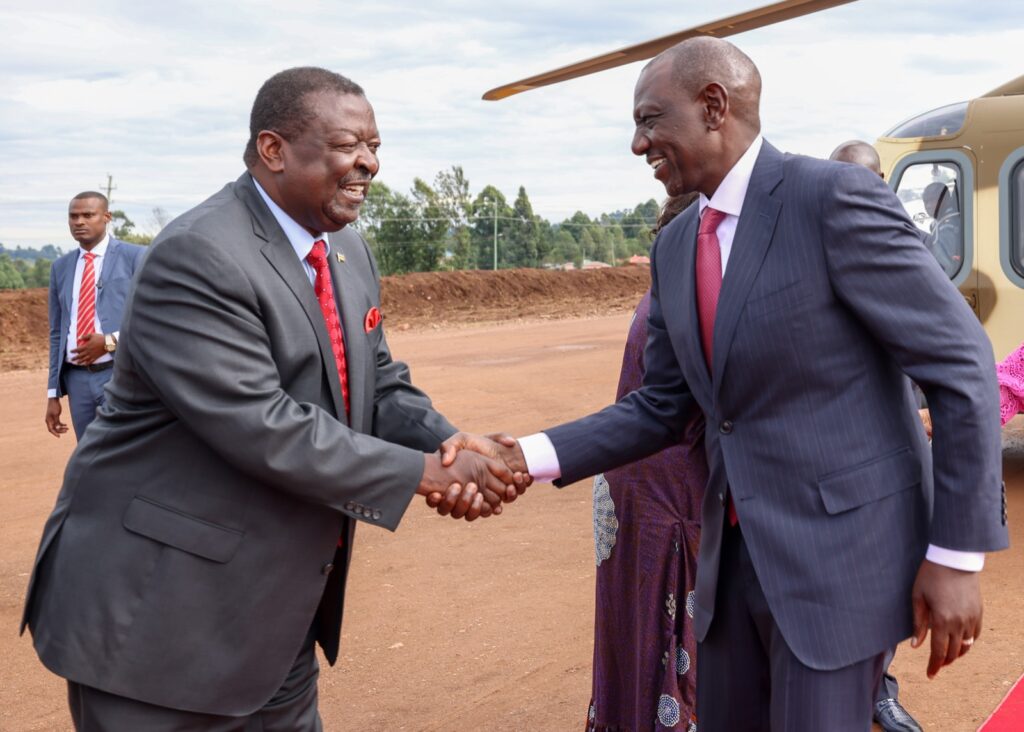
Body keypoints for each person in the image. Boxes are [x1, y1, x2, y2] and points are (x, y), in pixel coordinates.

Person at [444, 37, 1007, 731]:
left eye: (650, 120)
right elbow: (661, 405)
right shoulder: (677, 246)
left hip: (837, 572)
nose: (636, 143)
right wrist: (519, 457)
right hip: (730, 573)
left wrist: (955, 557)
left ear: (714, 107)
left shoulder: (830, 199)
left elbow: (960, 366)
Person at [22, 67, 521, 731]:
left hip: (273, 621)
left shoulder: (345, 249)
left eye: (375, 146)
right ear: (273, 149)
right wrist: (428, 474)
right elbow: (260, 423)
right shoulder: (199, 254)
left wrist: (449, 441)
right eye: (348, 144)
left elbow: (375, 380)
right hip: (160, 627)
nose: (367, 162)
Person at [587, 193, 705, 732]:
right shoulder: (695, 298)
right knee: (672, 643)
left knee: (634, 637)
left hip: (633, 487)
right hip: (670, 495)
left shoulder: (663, 292)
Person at [829, 140, 922, 732]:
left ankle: (878, 688)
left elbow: (932, 345)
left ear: (884, 184)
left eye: (867, 182)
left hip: (896, 439)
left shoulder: (910, 245)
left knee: (888, 579)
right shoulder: (803, 245)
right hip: (831, 447)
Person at [44, 192, 145, 439]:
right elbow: (57, 332)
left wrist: (109, 342)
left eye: (88, 215)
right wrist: (52, 394)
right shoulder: (61, 267)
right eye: (73, 216)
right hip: (77, 381)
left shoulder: (136, 257)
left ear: (106, 217)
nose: (79, 222)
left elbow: (156, 320)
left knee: (127, 451)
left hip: (121, 374)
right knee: (89, 456)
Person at [921, 180, 962, 277]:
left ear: (945, 199)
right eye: (926, 202)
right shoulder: (938, 222)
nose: (928, 206)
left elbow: (946, 266)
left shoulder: (948, 227)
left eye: (932, 200)